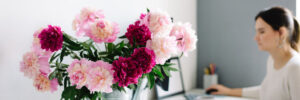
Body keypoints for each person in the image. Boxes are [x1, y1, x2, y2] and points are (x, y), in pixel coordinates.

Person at [206, 6, 300, 100]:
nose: (256, 38)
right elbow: (265, 91)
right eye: (257, 32)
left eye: (262, 32)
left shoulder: (295, 68)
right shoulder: (272, 60)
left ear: (281, 33)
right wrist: (229, 91)